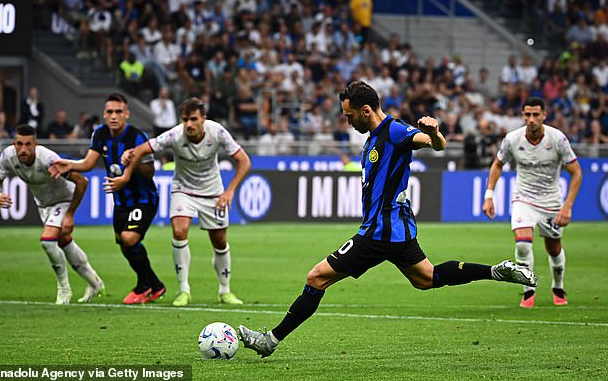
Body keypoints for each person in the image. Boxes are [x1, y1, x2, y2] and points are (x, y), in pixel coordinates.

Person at [238, 80, 537, 357]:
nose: (347, 120)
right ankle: (496, 271)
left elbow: (437, 144)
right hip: (396, 231)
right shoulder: (373, 137)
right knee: (427, 278)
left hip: (378, 233)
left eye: (349, 115)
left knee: (316, 277)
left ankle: (270, 341)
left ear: (365, 110)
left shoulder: (394, 131)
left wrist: (433, 132)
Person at [108, 98, 251, 307]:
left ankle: (224, 290)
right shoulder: (175, 135)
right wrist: (127, 169)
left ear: (203, 118)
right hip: (183, 190)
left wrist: (229, 192)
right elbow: (141, 150)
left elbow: (244, 161)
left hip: (213, 192)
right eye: (185, 119)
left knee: (219, 241)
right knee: (179, 230)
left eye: (194, 119)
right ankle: (184, 290)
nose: (189, 124)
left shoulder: (217, 132)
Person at [49, 93, 165, 305]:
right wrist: (70, 164)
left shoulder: (137, 137)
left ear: (127, 114)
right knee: (123, 244)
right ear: (104, 114)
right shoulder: (100, 134)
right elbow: (88, 163)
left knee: (130, 239)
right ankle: (156, 285)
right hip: (120, 201)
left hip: (143, 198)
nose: (114, 116)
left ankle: (144, 285)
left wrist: (133, 160)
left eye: (118, 112)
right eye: (109, 112)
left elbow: (150, 172)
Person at [483, 97, 582, 308]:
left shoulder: (557, 139)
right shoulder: (512, 139)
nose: (531, 119)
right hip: (523, 199)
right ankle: (529, 290)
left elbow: (577, 173)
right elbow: (497, 164)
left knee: (553, 248)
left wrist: (567, 206)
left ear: (544, 115)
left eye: (536, 114)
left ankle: (558, 286)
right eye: (527, 114)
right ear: (522, 116)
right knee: (522, 242)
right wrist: (489, 195)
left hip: (551, 202)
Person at [0, 124, 104, 304]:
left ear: (35, 144)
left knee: (47, 241)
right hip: (43, 205)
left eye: (28, 145)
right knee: (63, 241)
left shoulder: (48, 159)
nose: (23, 149)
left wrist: (70, 214)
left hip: (64, 199)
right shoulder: (8, 156)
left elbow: (82, 182)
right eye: (19, 144)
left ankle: (64, 289)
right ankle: (95, 282)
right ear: (14, 143)